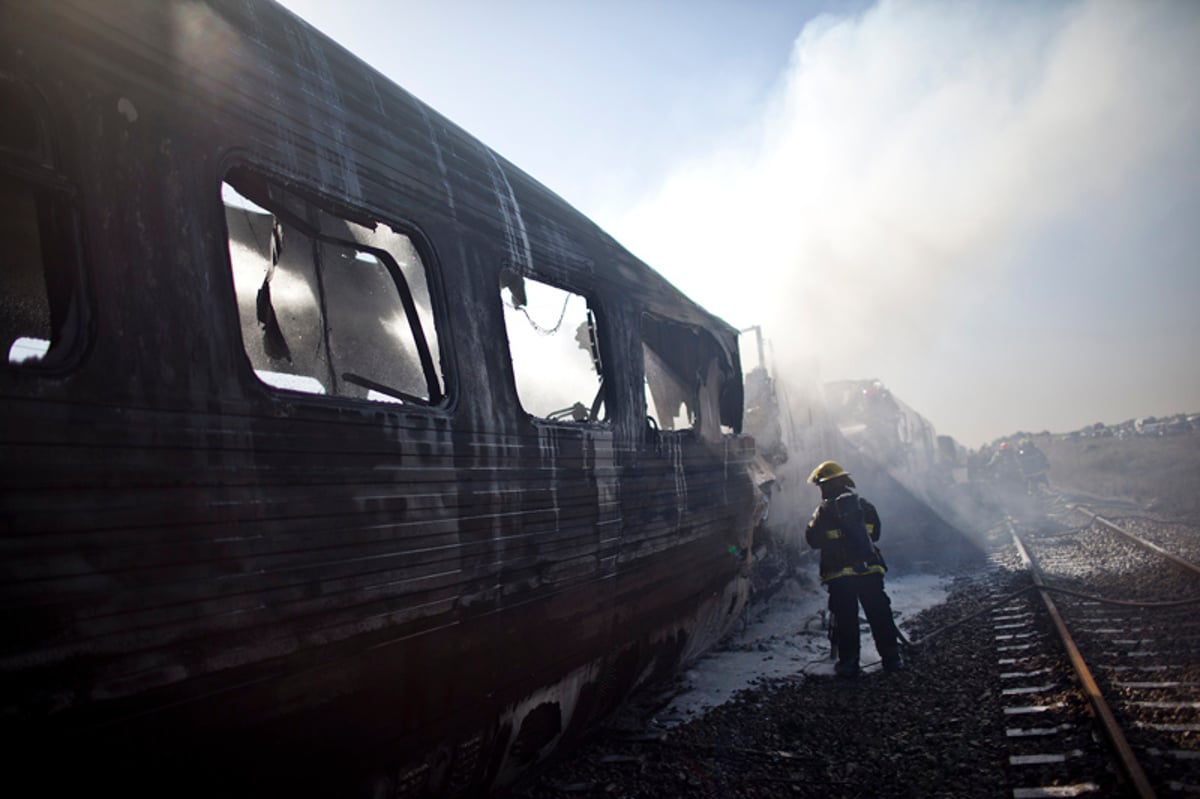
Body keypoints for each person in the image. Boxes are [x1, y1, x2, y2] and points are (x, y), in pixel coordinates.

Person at [805, 460, 905, 677]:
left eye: (821, 486)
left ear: (827, 485)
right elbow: (875, 534)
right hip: (869, 570)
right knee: (880, 615)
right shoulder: (865, 506)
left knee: (846, 619)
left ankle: (849, 664)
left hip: (840, 576)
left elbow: (812, 539)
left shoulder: (823, 511)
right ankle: (892, 659)